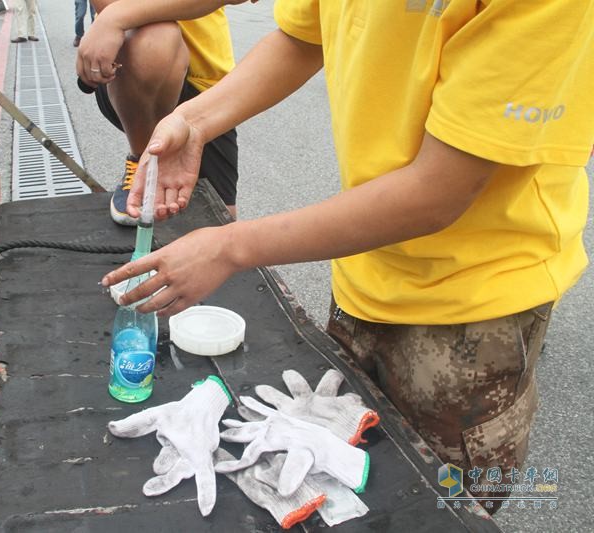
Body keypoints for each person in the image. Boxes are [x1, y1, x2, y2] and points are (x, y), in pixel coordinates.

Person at [101, 0, 594, 511]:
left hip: (475, 306)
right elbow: (301, 38)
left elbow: (440, 190)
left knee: (447, 500)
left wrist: (230, 246)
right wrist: (194, 120)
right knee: (351, 476)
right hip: (363, 259)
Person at [76, 0, 243, 226]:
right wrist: (113, 16)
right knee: (156, 36)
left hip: (206, 82)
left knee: (220, 218)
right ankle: (143, 158)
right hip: (132, 74)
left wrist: (115, 16)